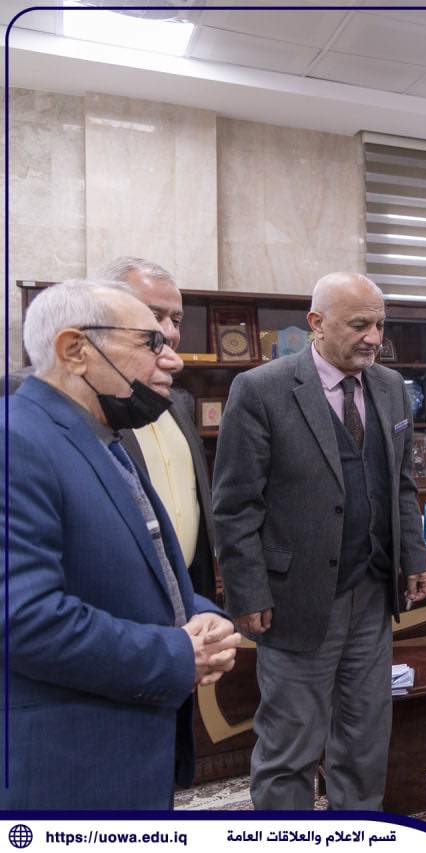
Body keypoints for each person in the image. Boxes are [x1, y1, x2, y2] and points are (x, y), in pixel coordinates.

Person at [2, 279, 238, 809]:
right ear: (75, 350)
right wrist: (177, 652)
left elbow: (140, 569)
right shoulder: (16, 441)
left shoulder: (98, 437)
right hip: (66, 769)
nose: (172, 360)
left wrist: (201, 615)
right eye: (151, 343)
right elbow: (24, 619)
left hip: (125, 752)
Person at [213, 272, 426, 810]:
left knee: (364, 741)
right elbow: (236, 505)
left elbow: (401, 484)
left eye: (379, 325)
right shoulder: (261, 389)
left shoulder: (390, 388)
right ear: (316, 323)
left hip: (372, 595)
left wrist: (414, 555)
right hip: (297, 601)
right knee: (290, 747)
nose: (373, 338)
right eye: (359, 325)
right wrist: (247, 591)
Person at [7, 258, 218, 598]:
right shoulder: (25, 418)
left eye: (176, 320)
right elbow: (26, 606)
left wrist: (199, 608)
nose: (171, 336)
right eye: (150, 325)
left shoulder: (168, 401)